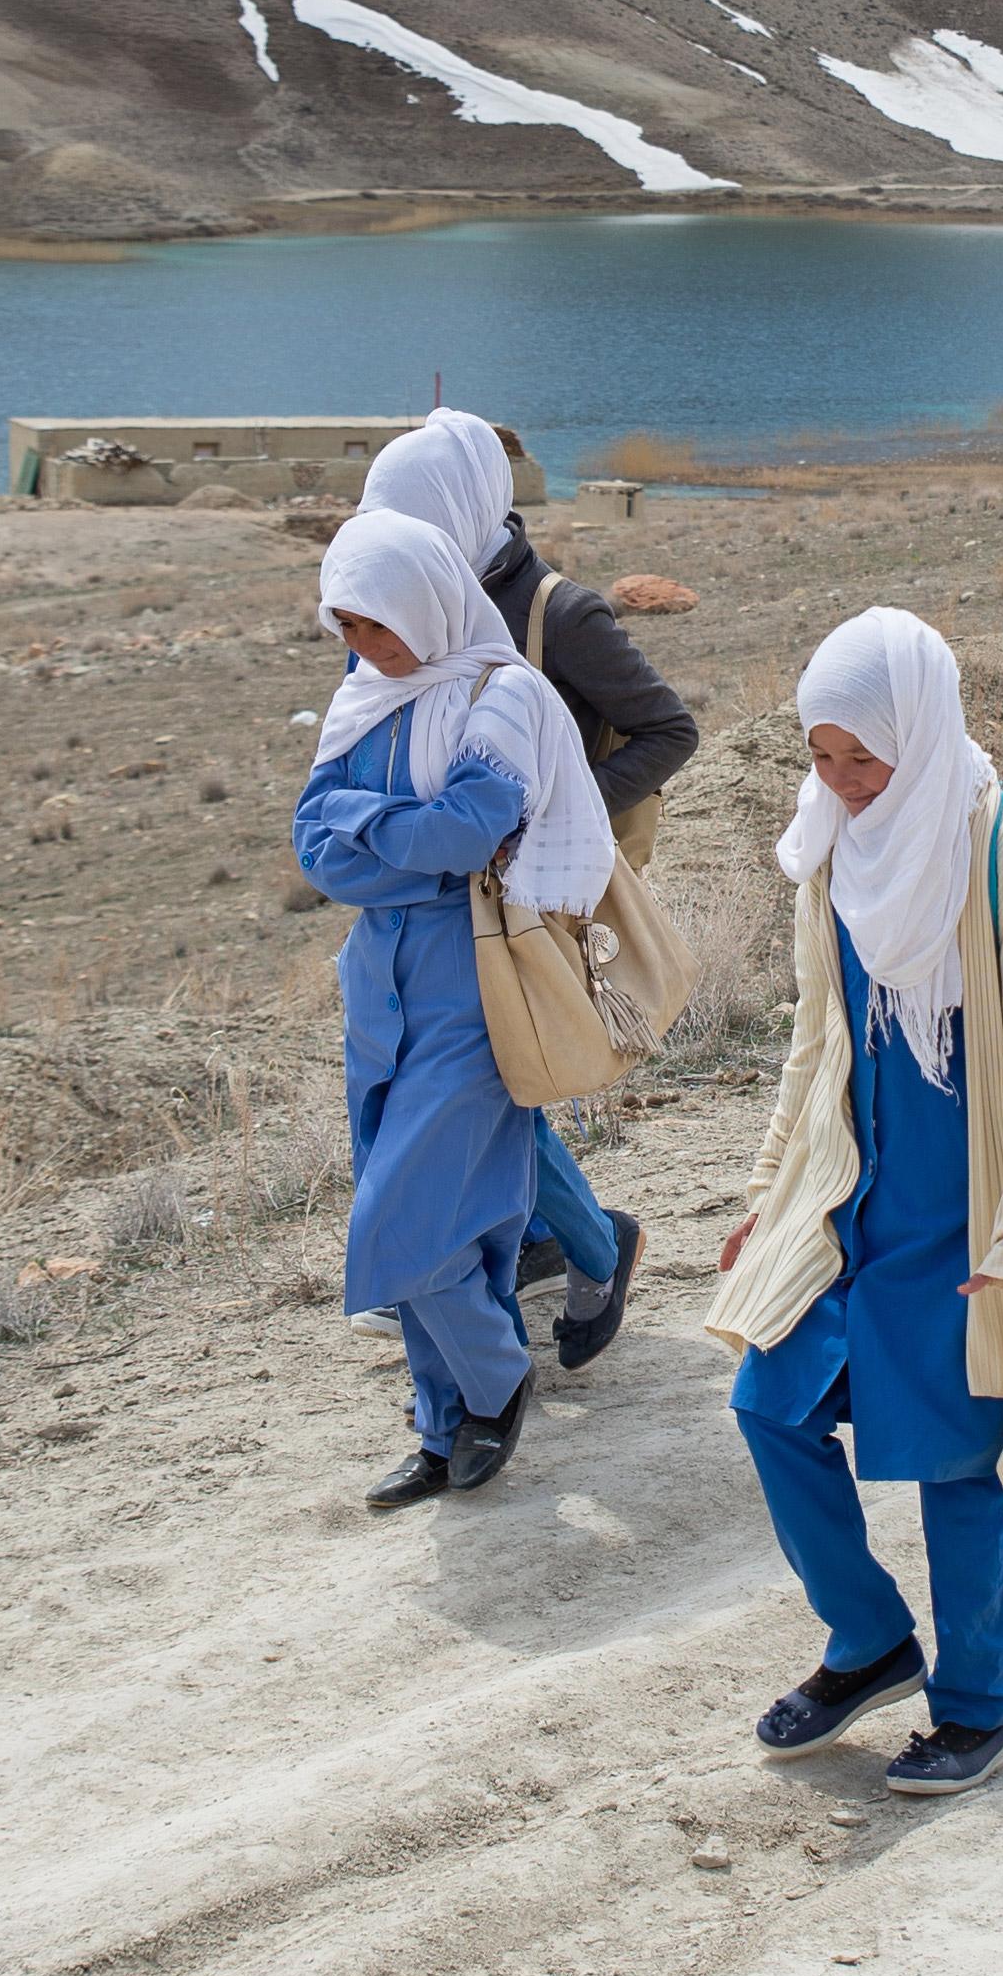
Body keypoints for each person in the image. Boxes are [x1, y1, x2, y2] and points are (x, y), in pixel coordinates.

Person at [704, 607, 1003, 1797]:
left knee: (959, 1462)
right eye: (820, 758)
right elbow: (817, 1038)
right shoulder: (829, 849)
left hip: (962, 1206)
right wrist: (772, 1190)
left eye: (862, 759)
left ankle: (979, 1707)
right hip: (849, 1196)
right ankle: (869, 1638)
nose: (842, 783)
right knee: (770, 1404)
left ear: (917, 737)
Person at [362, 409, 703, 1371]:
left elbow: (669, 732)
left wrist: (555, 818)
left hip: (534, 894)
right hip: (433, 889)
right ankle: (544, 1246)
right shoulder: (408, 599)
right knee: (464, 1080)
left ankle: (580, 1244)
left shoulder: (562, 615)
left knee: (487, 1081)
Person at [292, 508, 617, 1511]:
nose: (367, 647)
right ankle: (442, 1426)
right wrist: (395, 832)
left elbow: (468, 828)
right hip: (378, 981)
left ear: (429, 603)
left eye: (380, 625)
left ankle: (492, 1376)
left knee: (402, 1212)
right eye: (348, 627)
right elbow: (313, 846)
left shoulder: (500, 692)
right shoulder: (365, 697)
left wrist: (363, 822)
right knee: (445, 1212)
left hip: (472, 975)